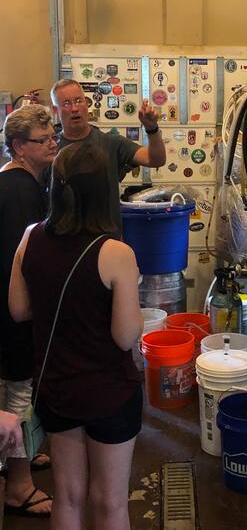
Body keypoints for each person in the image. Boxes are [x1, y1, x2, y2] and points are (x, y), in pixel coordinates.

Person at [9, 141, 144, 530]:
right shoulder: (116, 253)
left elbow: (19, 310)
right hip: (109, 393)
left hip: (56, 388)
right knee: (111, 502)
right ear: (103, 192)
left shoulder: (30, 237)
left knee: (67, 496)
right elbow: (125, 337)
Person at [0, 105, 56, 518]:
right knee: (17, 390)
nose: (52, 143)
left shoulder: (14, 180)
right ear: (19, 146)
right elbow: (22, 261)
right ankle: (18, 486)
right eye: (43, 139)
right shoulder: (21, 190)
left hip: (7, 308)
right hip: (9, 312)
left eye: (53, 135)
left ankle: (24, 452)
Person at [50, 78, 166, 232]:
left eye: (78, 101)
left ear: (87, 103)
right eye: (66, 104)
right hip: (64, 238)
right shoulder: (49, 148)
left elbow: (155, 159)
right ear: (55, 110)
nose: (74, 108)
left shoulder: (111, 143)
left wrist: (152, 129)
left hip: (106, 239)